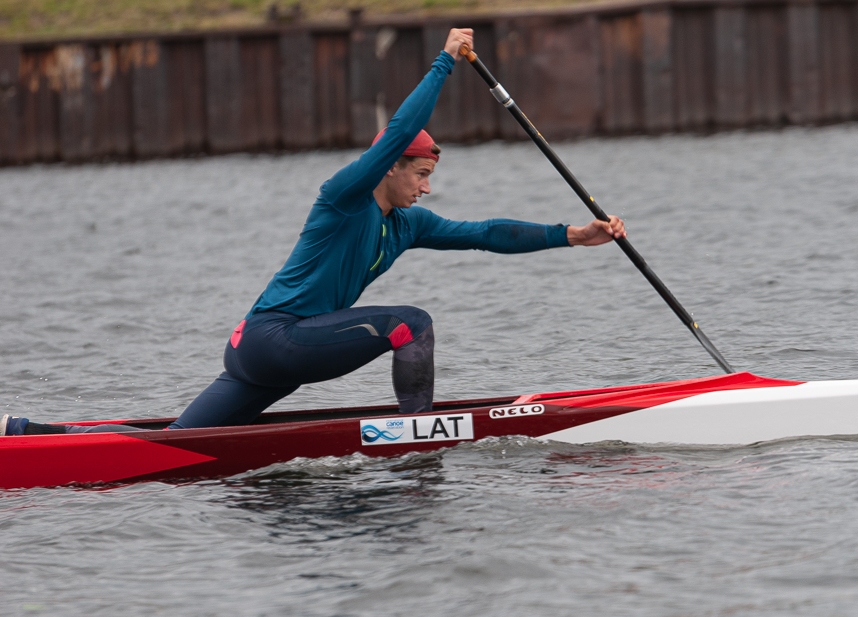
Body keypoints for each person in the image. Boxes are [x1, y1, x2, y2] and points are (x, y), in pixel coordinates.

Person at [1, 28, 625, 438]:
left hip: (258, 353)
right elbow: (401, 125)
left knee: (173, 447)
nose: (427, 188)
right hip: (275, 340)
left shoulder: (406, 225)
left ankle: (24, 436)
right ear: (392, 165)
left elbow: (487, 233)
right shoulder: (344, 197)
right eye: (421, 174)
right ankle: (420, 439)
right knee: (413, 322)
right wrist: (443, 62)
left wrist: (572, 234)